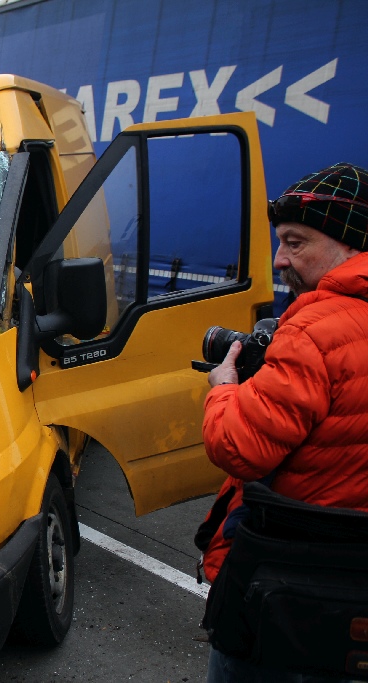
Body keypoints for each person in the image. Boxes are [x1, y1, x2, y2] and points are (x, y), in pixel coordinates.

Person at [201, 162, 368, 683]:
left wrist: (225, 388)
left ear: (349, 245)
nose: (280, 259)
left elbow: (239, 448)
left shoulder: (314, 330)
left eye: (296, 242)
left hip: (291, 584)